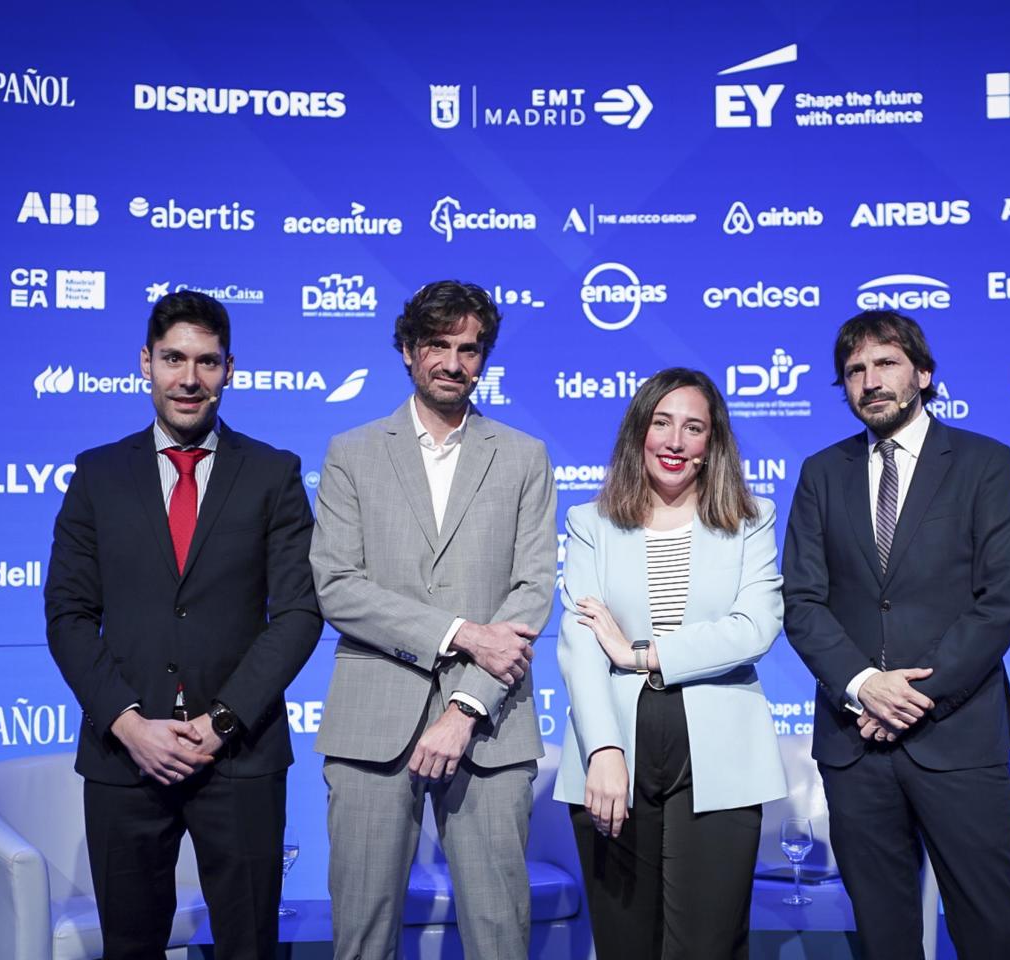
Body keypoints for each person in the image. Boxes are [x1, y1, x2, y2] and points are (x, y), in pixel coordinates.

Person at [45, 290, 322, 959]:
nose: (189, 378)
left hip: (240, 756)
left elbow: (299, 612)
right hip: (125, 757)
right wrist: (128, 724)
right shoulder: (97, 475)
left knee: (248, 946)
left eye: (206, 361)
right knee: (130, 946)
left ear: (230, 369)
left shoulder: (273, 473)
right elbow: (68, 615)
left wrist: (221, 723)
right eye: (173, 358)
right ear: (146, 362)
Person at [311, 280, 557, 960]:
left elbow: (533, 591)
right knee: (361, 936)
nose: (454, 363)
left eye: (469, 349)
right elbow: (337, 586)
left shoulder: (524, 456)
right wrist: (460, 632)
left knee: (500, 936)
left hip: (490, 724)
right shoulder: (351, 452)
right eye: (438, 346)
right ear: (407, 352)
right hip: (370, 723)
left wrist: (465, 704)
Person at [783, 310, 1010, 959]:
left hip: (958, 736)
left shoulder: (983, 463)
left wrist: (913, 696)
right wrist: (865, 686)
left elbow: (1003, 599)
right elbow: (802, 602)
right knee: (884, 937)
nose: (870, 381)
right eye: (855, 371)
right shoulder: (821, 473)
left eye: (885, 363)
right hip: (854, 747)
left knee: (993, 930)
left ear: (923, 372)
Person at [555, 367, 787, 958]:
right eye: (662, 423)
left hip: (721, 753)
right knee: (625, 944)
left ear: (713, 445)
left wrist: (640, 652)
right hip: (613, 753)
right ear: (639, 433)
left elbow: (755, 627)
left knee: (704, 948)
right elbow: (583, 643)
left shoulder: (750, 518)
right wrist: (603, 751)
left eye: (693, 428)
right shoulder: (591, 524)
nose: (675, 442)